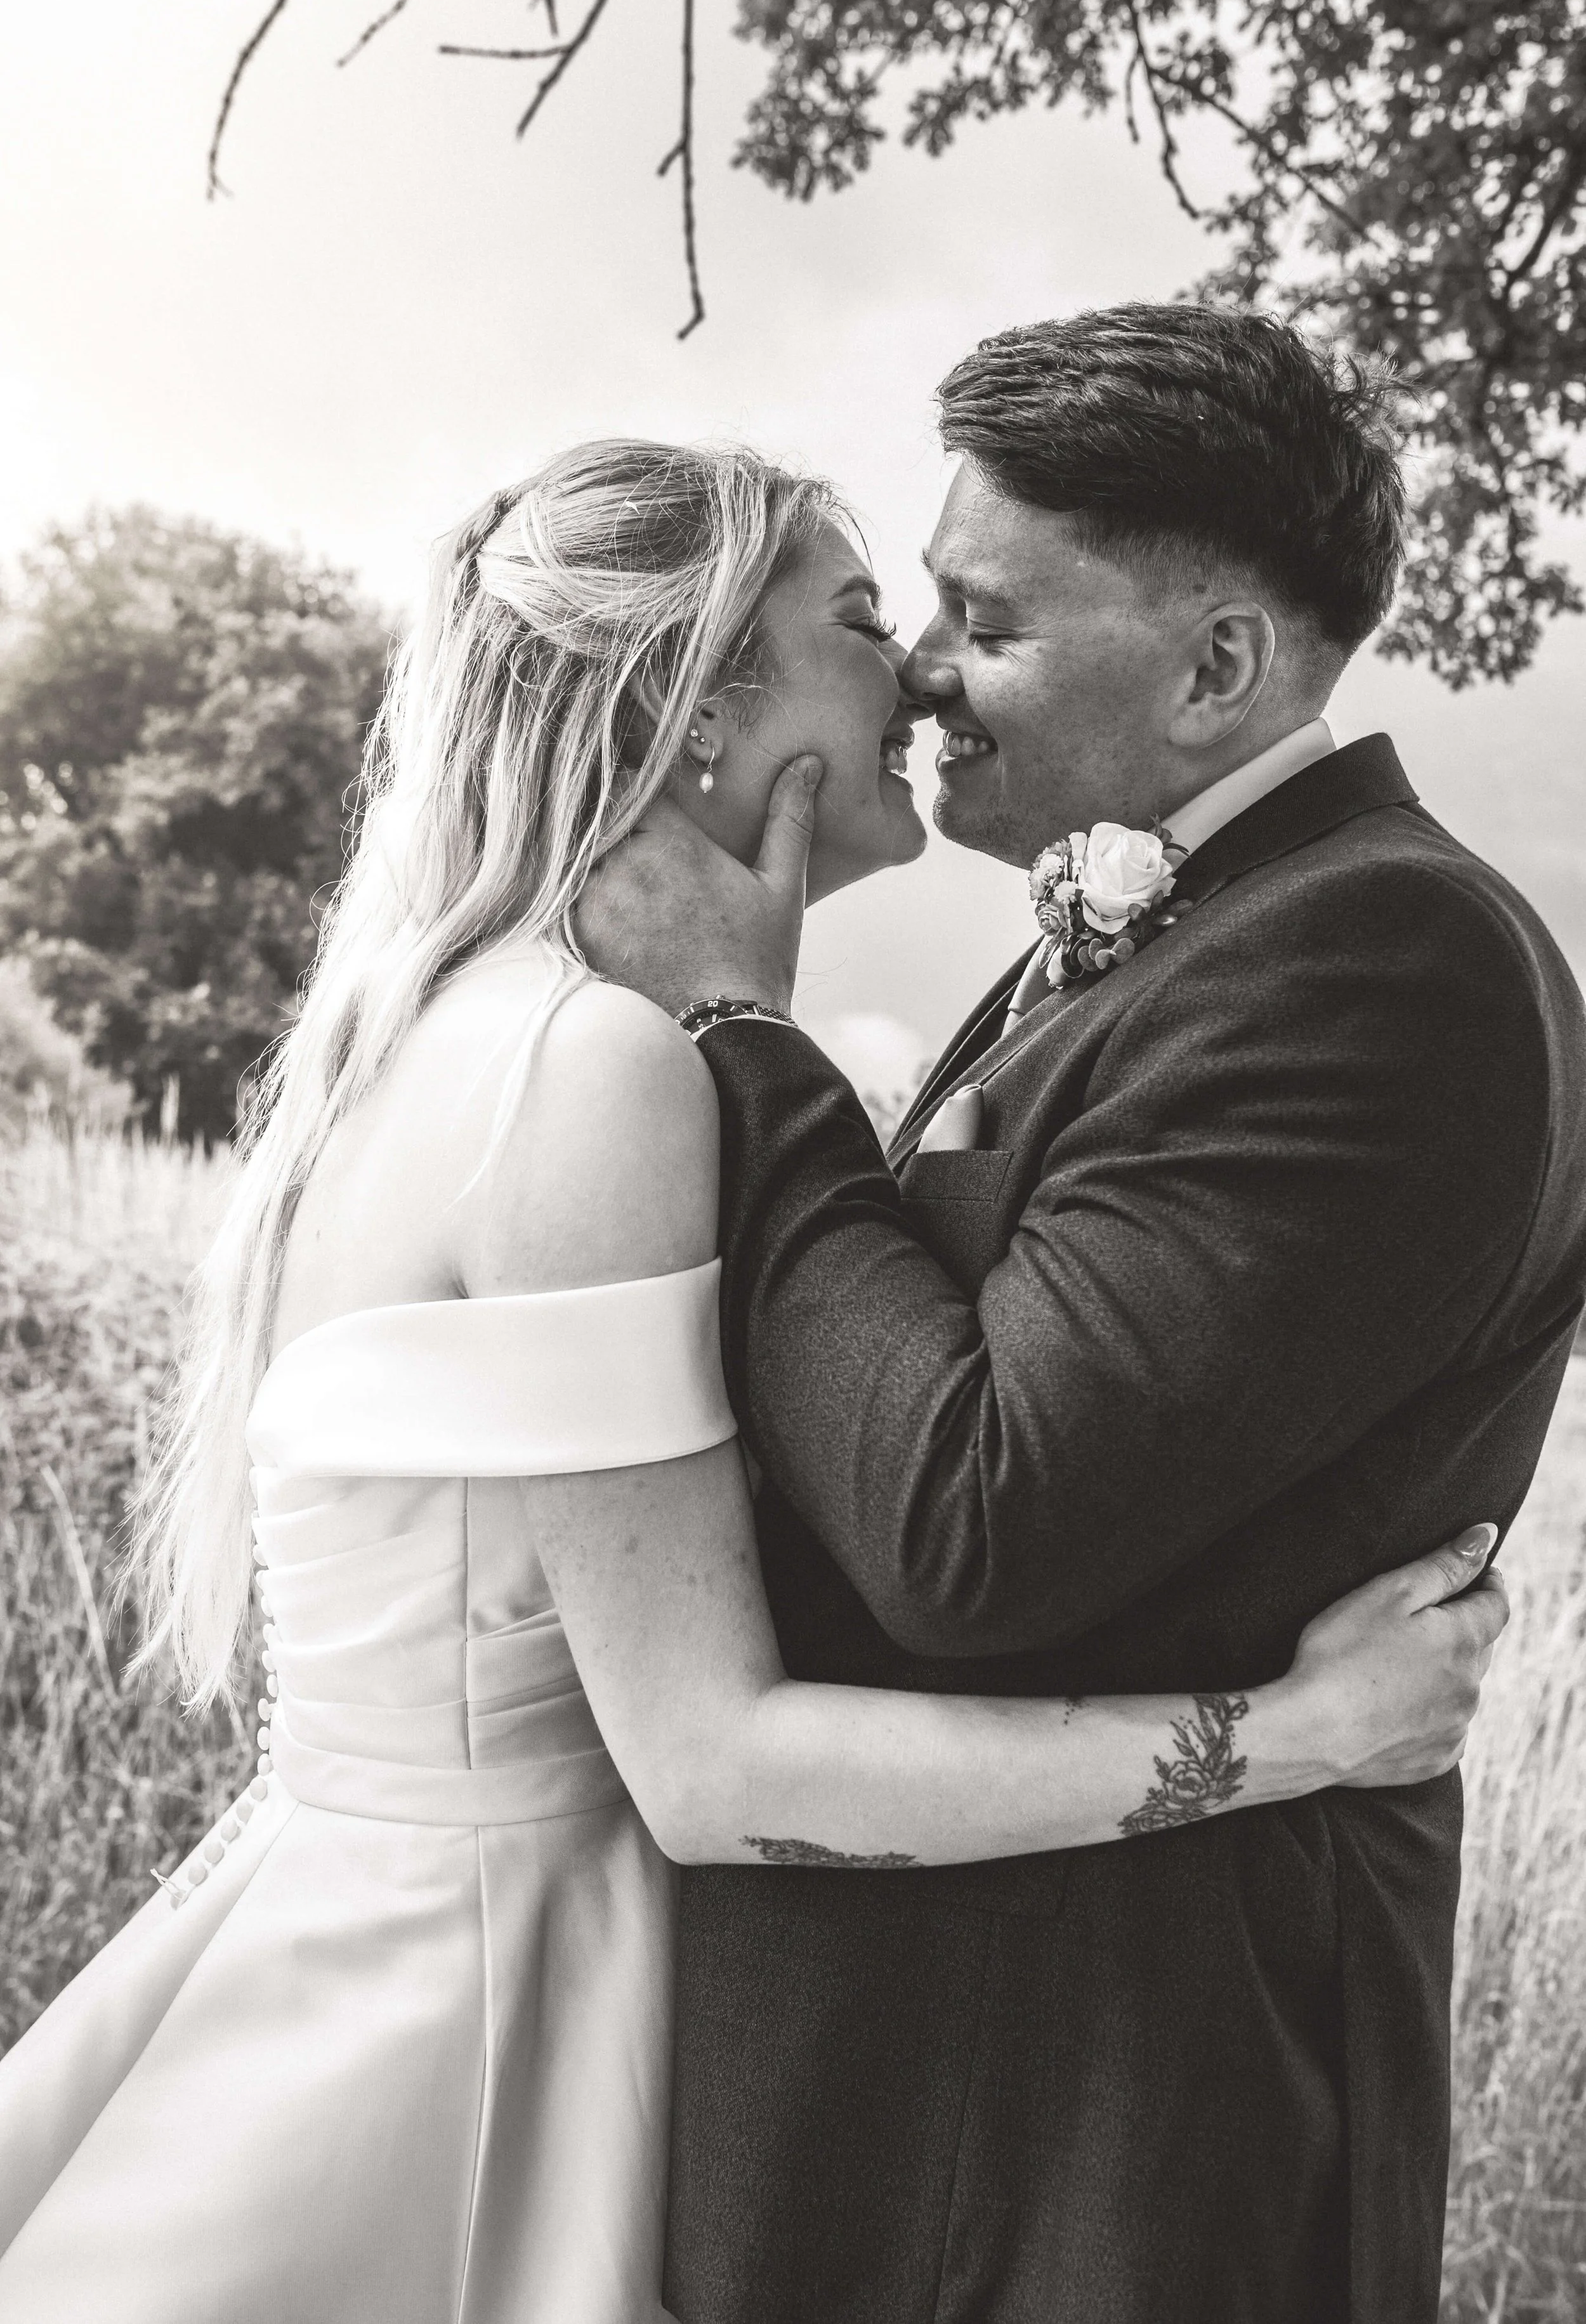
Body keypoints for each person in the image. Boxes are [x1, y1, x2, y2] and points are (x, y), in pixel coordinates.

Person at [0, 438, 1507, 2324]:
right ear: (699, 704)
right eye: (873, 619)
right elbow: (712, 1765)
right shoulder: (593, 1066)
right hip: (490, 2028)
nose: (920, 673)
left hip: (382, 1943)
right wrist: (1284, 1737)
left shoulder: (446, 1028)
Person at [577, 316, 1586, 2324]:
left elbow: (973, 1517)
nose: (920, 673)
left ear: (1215, 668)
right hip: (942, 2075)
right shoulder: (1201, 932)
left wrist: (743, 1034)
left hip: (1092, 2137)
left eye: (983, 619)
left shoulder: (1385, 962)